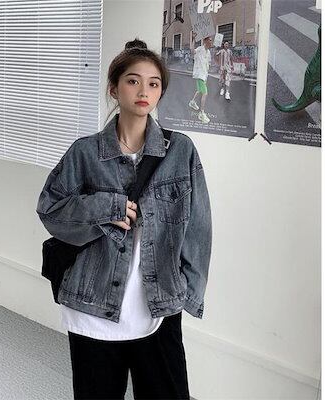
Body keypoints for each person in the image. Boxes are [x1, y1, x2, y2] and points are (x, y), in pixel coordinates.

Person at [36, 38, 212, 400]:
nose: (144, 91)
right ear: (114, 89)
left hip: (158, 303)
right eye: (133, 81)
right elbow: (50, 209)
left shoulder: (180, 151)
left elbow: (198, 226)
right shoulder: (85, 152)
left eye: (153, 83)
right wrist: (107, 207)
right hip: (92, 303)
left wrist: (188, 293)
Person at [188, 36, 214, 123]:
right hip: (200, 74)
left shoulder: (208, 52)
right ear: (205, 41)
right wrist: (193, 39)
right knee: (205, 93)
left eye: (211, 40)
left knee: (199, 90)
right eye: (210, 40)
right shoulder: (200, 49)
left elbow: (209, 63)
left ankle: (192, 102)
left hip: (204, 74)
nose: (211, 42)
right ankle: (201, 113)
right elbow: (192, 51)